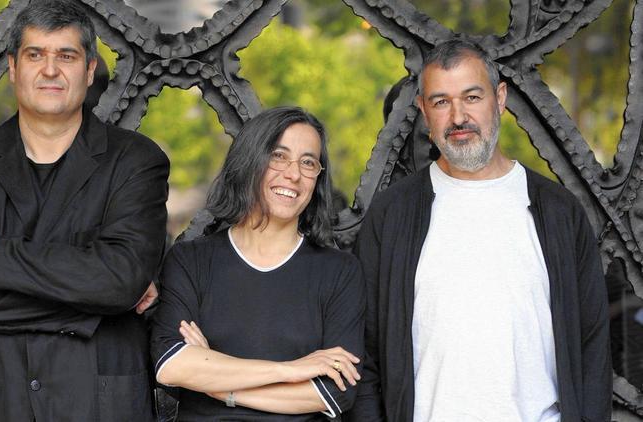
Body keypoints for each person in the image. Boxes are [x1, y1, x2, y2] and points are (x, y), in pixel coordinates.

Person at [0, 1, 169, 420]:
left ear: (89, 70)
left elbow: (120, 282)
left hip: (96, 402)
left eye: (67, 56)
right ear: (13, 67)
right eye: (35, 54)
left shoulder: (136, 161)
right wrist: (95, 304)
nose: (50, 70)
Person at [348, 39, 612, 422]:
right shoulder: (392, 214)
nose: (458, 117)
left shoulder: (559, 213)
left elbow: (592, 347)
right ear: (424, 110)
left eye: (472, 97)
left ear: (500, 99)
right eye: (441, 101)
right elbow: (366, 353)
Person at [150, 106, 365, 421]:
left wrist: (221, 387)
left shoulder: (339, 271)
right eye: (279, 156)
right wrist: (291, 370)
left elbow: (336, 391)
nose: (294, 174)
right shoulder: (190, 260)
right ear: (249, 161)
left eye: (308, 162)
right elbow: (172, 366)